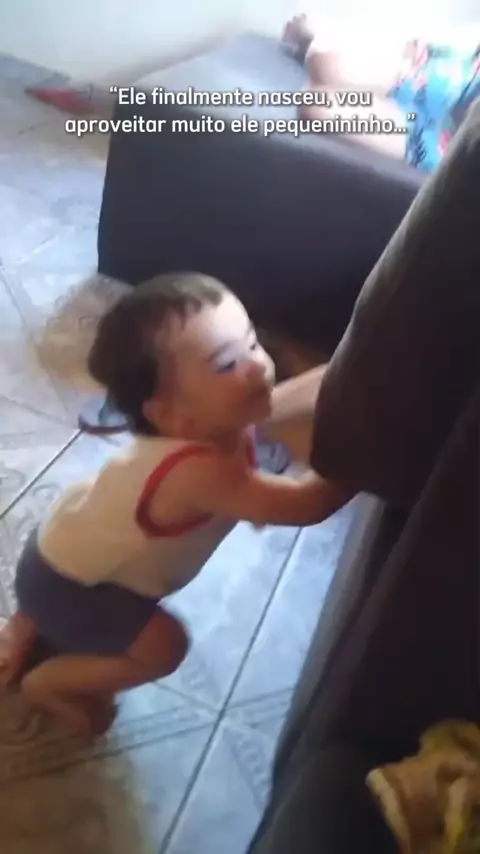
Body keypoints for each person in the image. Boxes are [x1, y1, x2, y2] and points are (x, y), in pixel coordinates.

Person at [0, 273, 350, 736]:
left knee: (68, 588)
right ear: (170, 414)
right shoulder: (199, 472)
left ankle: (27, 624)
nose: (258, 366)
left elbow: (281, 403)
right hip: (72, 589)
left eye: (252, 342)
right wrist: (366, 448)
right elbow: (307, 504)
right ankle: (50, 683)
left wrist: (351, 372)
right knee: (165, 648)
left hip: (56, 551)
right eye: (228, 363)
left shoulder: (205, 422)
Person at [283, 14, 480, 171]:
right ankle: (314, 40)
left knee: (314, 102)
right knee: (322, 58)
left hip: (446, 145)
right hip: (453, 76)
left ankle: (318, 42)